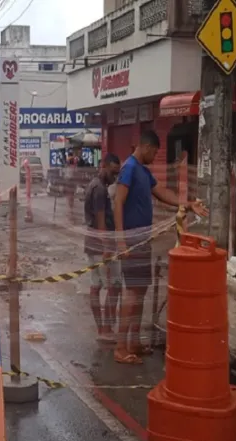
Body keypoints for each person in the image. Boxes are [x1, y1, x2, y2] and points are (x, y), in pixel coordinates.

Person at [113, 130, 208, 365]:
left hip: (143, 240)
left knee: (141, 291)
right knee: (131, 293)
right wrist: (121, 240)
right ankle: (120, 347)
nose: (155, 156)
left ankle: (133, 341)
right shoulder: (130, 168)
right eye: (154, 152)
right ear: (146, 147)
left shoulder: (143, 171)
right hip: (132, 240)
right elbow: (118, 202)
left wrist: (187, 203)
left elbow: (162, 192)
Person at [84, 153, 122, 344]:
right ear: (104, 166)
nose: (114, 177)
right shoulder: (99, 189)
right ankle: (106, 328)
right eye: (113, 172)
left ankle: (101, 329)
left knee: (96, 286)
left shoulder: (94, 185)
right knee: (114, 286)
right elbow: (100, 220)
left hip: (91, 244)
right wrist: (107, 247)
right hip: (101, 245)